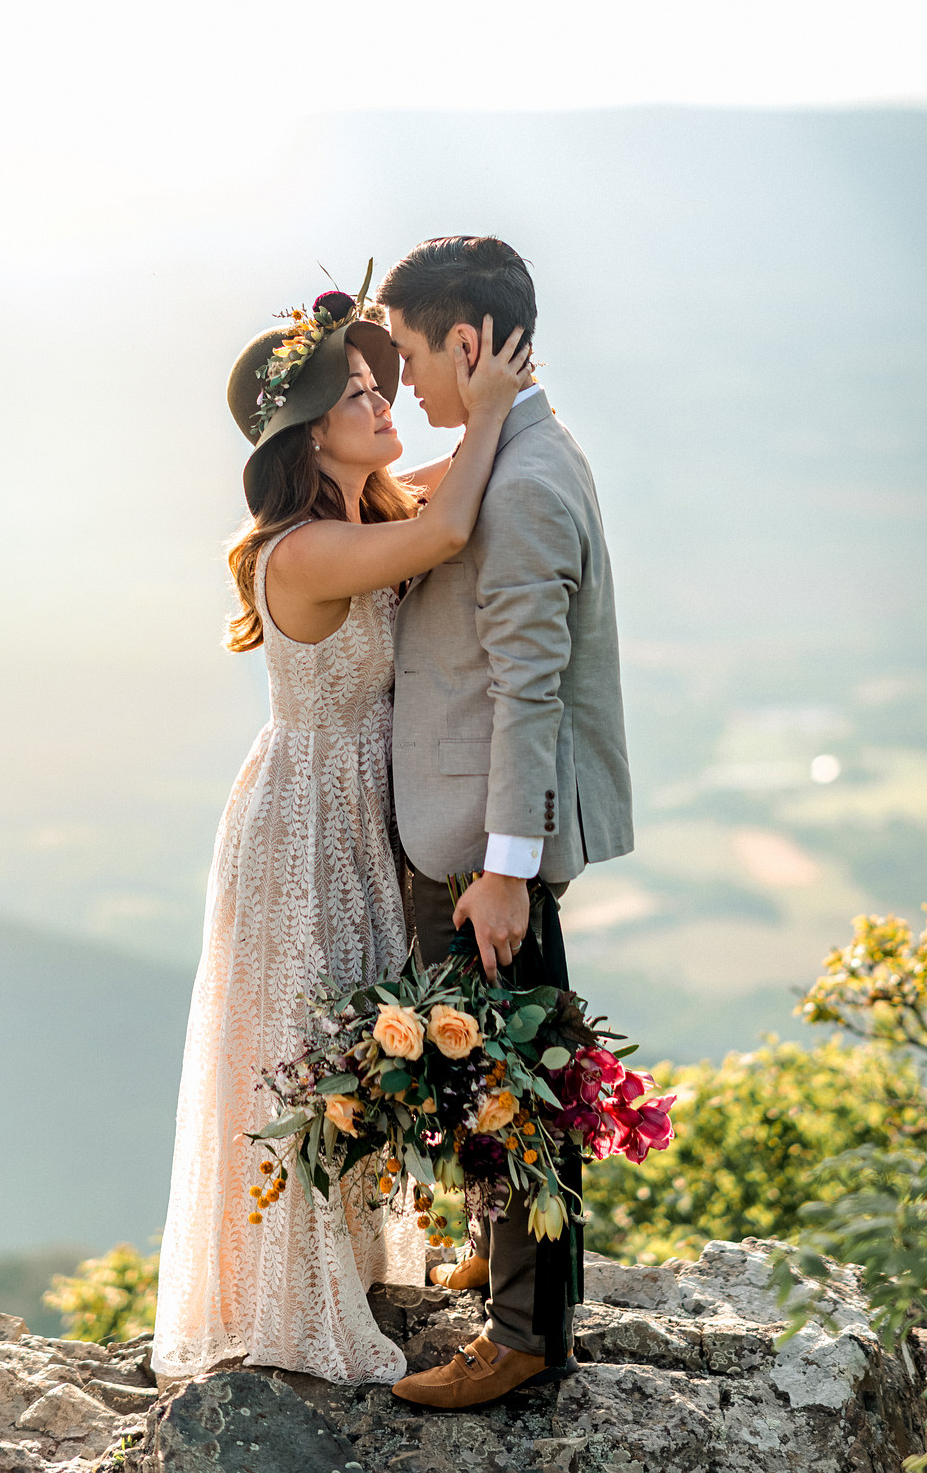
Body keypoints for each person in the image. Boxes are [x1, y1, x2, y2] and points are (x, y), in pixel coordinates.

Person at [150, 281, 531, 1387]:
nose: (382, 400)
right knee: (309, 1048)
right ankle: (293, 1297)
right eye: (358, 392)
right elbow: (450, 524)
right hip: (307, 819)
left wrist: (501, 419)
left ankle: (354, 1262)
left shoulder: (367, 510)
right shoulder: (304, 548)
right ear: (312, 434)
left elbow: (447, 490)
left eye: (378, 381)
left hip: (362, 808)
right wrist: (491, 407)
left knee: (362, 1037)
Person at [380, 236, 634, 1409]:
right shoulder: (520, 448)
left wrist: (505, 869)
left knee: (515, 1074)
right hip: (476, 828)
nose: (408, 383)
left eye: (413, 356)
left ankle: (525, 1335)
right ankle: (504, 1254)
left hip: (486, 840)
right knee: (493, 1057)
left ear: (470, 343)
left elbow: (529, 686)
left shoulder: (525, 483)